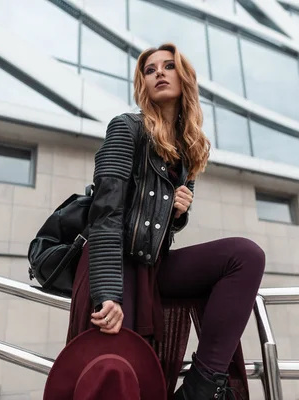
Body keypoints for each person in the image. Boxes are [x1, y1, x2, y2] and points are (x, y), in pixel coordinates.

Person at [67, 43, 266, 400]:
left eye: (168, 66)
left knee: (245, 255)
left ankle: (202, 386)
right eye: (150, 69)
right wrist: (108, 294)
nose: (159, 72)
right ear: (143, 84)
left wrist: (177, 214)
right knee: (121, 378)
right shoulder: (126, 128)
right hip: (116, 262)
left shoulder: (187, 152)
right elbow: (105, 213)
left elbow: (158, 231)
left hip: (152, 264)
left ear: (184, 78)